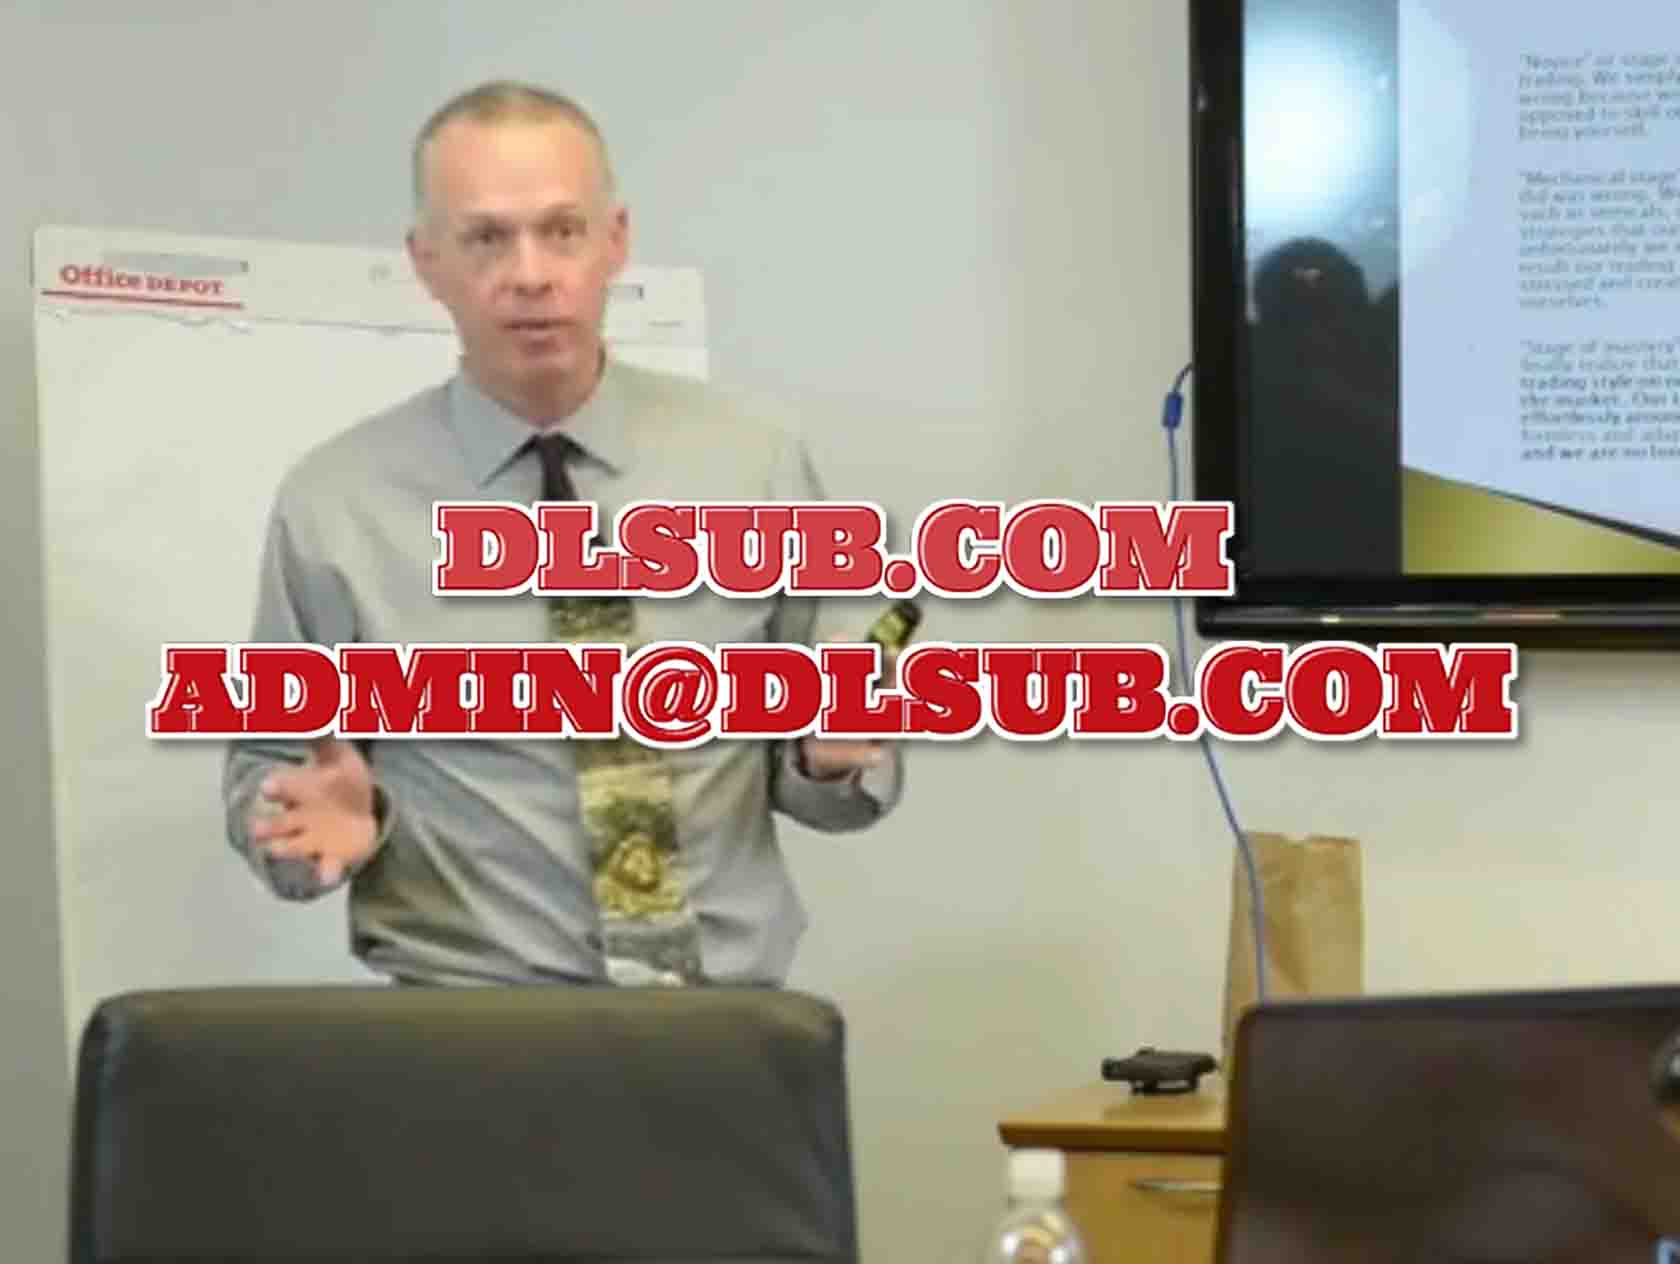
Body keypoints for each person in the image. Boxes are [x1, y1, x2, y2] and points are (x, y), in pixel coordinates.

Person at [222, 80, 903, 987]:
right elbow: (270, 768)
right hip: (466, 1030)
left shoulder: (757, 468)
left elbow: (834, 770)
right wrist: (315, 830)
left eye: (563, 230)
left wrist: (829, 760)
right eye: (486, 238)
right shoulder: (335, 505)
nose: (531, 273)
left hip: (722, 1026)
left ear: (614, 240)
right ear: (426, 261)